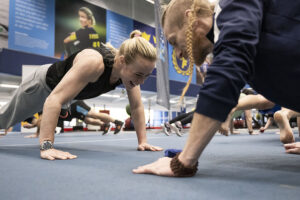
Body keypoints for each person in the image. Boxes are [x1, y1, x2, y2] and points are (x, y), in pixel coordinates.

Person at [133, 0, 300, 177]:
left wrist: (183, 162)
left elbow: (230, 66)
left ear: (191, 18)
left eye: (173, 41)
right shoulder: (252, 53)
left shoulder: (231, 6)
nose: (178, 54)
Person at [0, 30, 163, 160]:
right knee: (4, 120)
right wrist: (47, 146)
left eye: (146, 76)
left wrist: (143, 142)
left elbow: (136, 106)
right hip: (42, 85)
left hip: (64, 95)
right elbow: (54, 99)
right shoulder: (94, 63)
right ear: (122, 61)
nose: (141, 82)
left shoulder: (129, 74)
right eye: (139, 75)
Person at [23, 100, 124, 138]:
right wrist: (34, 128)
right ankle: (105, 125)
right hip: (70, 114)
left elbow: (40, 120)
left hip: (75, 106)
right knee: (88, 121)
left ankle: (117, 122)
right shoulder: (42, 108)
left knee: (93, 114)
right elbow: (42, 120)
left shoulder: (46, 101)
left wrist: (35, 132)